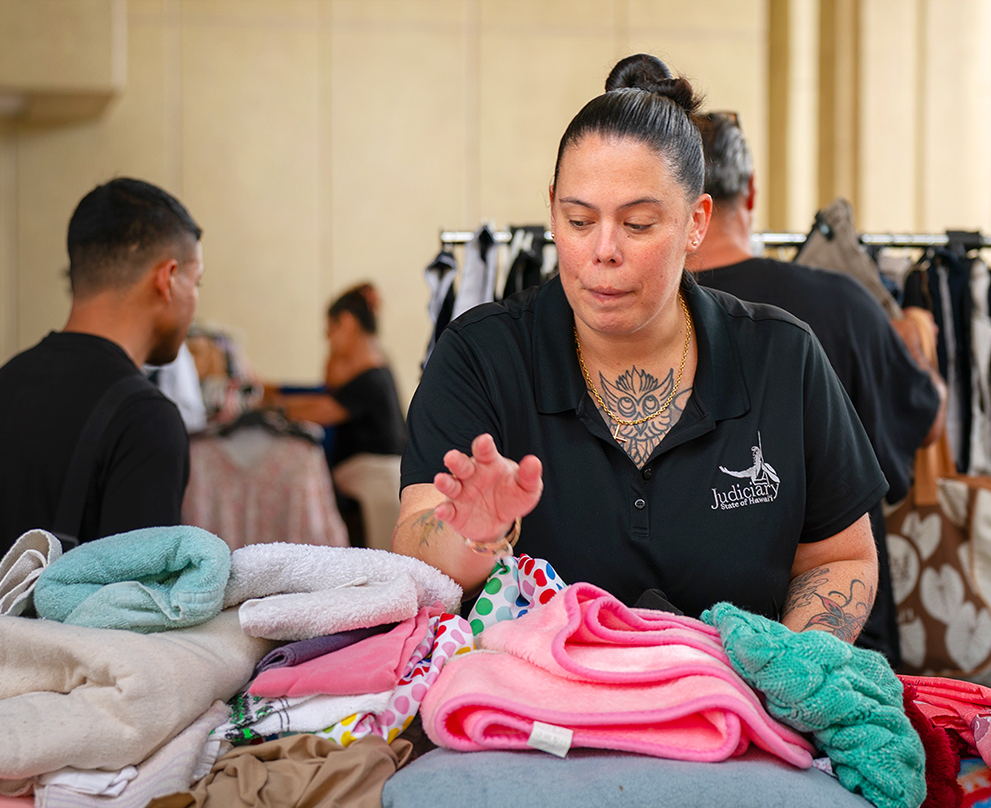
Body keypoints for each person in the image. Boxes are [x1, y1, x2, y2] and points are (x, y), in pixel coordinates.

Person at [396, 55, 887, 640]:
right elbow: (417, 546)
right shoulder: (480, 356)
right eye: (579, 221)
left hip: (734, 713)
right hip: (538, 721)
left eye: (638, 225)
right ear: (552, 210)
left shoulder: (782, 358)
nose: (604, 250)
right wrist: (473, 531)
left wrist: (787, 673)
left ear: (696, 221)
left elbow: (840, 557)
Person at [686, 109, 944, 666]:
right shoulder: (843, 304)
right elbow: (928, 420)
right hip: (840, 647)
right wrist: (920, 339)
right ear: (751, 191)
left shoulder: (619, 322)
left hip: (681, 654)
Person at [0, 177, 199, 606]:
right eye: (197, 281)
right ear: (167, 278)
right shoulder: (146, 417)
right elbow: (136, 610)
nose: (195, 300)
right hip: (90, 674)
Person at [276, 283, 407, 548]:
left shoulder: (371, 377)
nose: (329, 341)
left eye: (329, 331)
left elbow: (322, 409)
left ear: (346, 323)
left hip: (378, 475)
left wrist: (271, 407)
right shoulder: (373, 369)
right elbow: (327, 392)